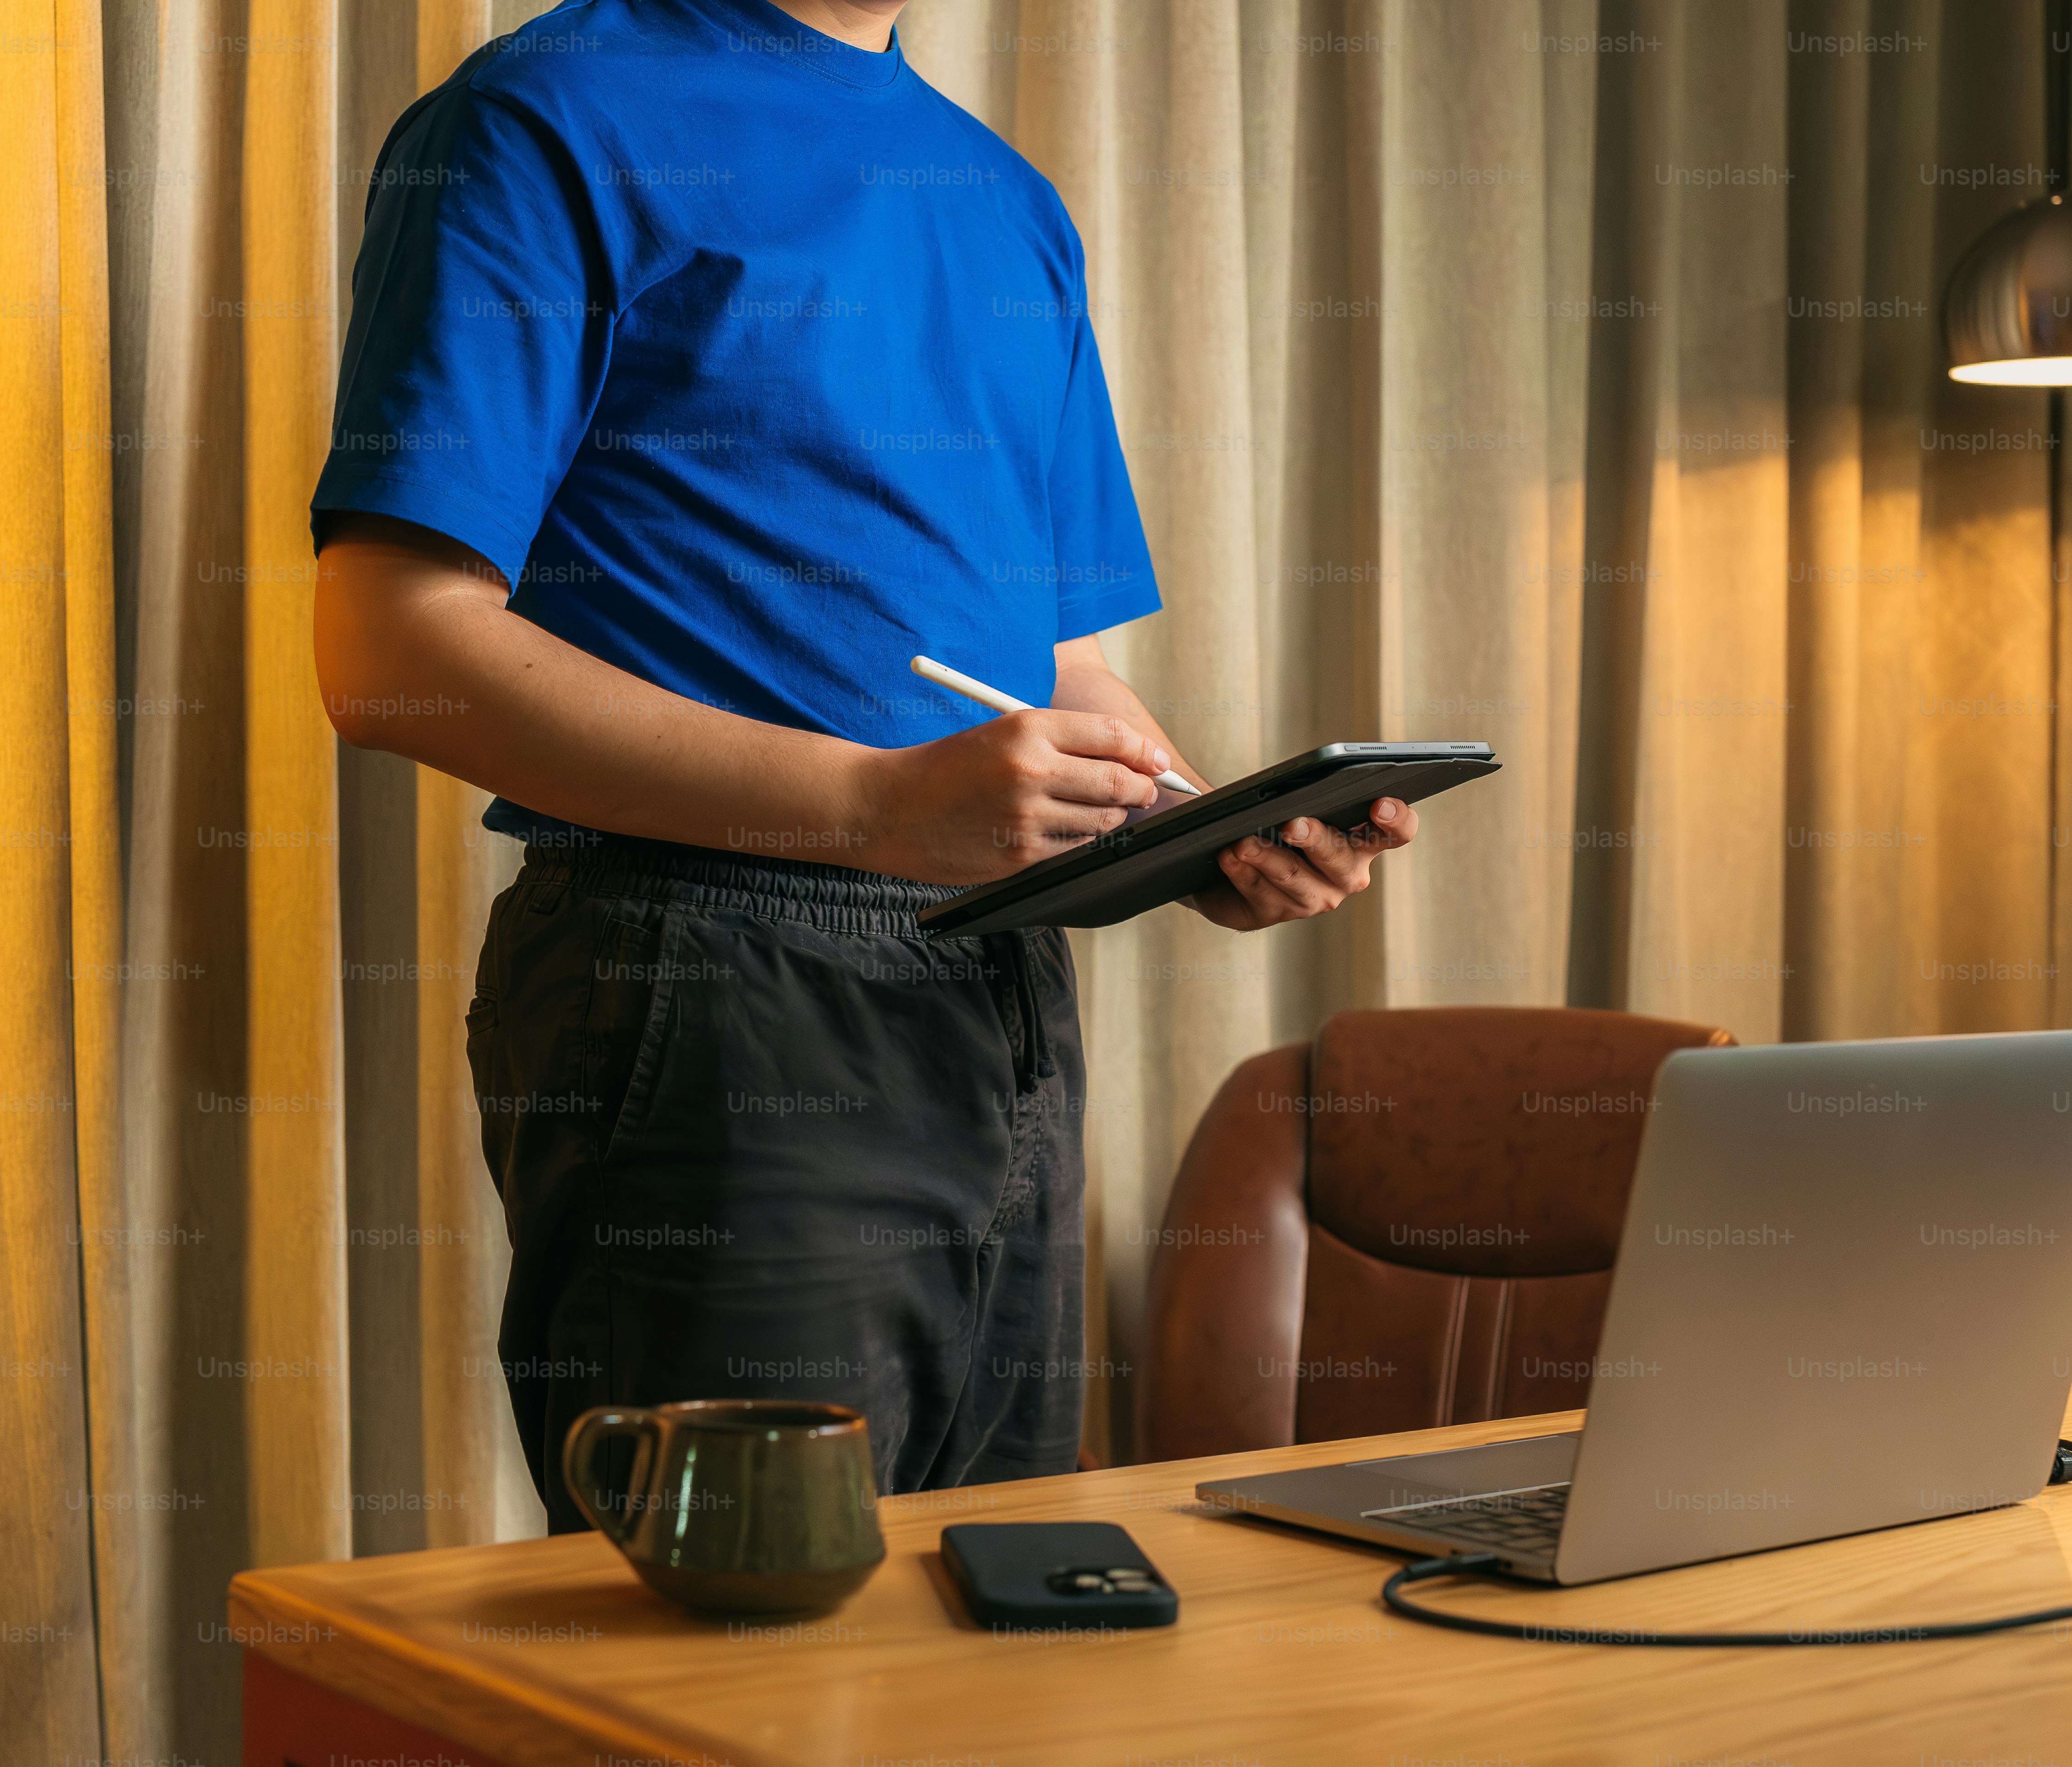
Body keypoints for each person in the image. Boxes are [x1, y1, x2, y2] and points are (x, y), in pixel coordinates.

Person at [310, 0, 1420, 1525]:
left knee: (981, 1626)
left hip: (1004, 993)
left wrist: (1193, 832)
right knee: (741, 1662)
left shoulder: (1007, 200)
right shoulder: (545, 116)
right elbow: (389, 654)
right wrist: (879, 807)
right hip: (707, 982)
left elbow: (1062, 671)